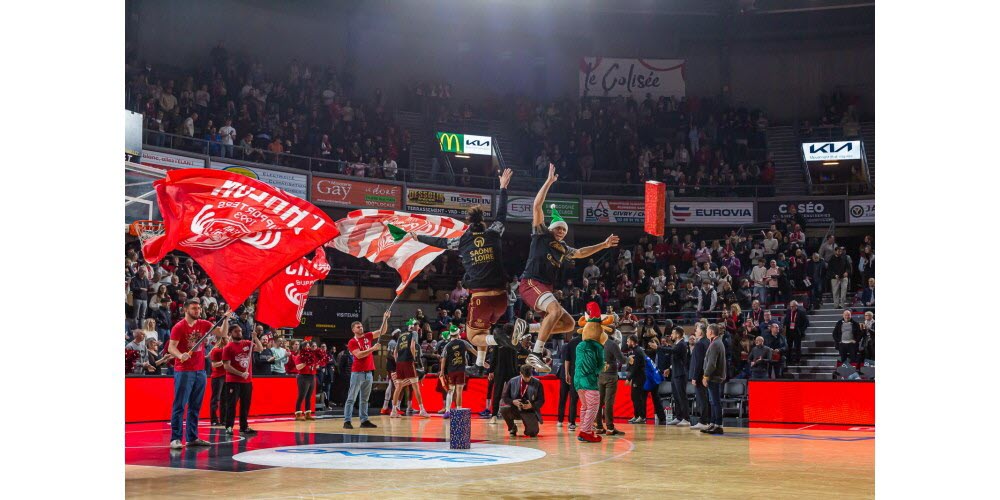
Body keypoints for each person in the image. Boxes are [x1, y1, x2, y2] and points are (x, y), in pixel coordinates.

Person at [412, 169, 523, 370]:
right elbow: (502, 215)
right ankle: (479, 364)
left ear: (468, 225)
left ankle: (498, 339)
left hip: (482, 298)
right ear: (483, 223)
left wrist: (418, 237)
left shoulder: (462, 241)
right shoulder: (494, 233)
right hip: (502, 299)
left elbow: (440, 242)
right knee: (484, 329)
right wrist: (503, 188)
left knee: (473, 336)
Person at [518, 164, 619, 372]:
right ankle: (536, 353)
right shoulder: (541, 234)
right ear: (552, 228)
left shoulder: (563, 248)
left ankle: (527, 328)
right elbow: (537, 206)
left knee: (568, 324)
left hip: (544, 287)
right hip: (531, 282)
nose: (562, 231)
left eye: (564, 229)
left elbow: (581, 252)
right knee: (555, 310)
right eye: (559, 228)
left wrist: (603, 244)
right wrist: (548, 182)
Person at [167, 299, 230, 449]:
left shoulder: (204, 324)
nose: (198, 311)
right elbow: (171, 347)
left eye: (199, 308)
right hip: (184, 371)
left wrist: (226, 319)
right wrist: (180, 355)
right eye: (194, 308)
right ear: (185, 310)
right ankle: (175, 439)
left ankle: (192, 437)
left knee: (195, 406)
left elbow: (222, 333)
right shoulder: (179, 327)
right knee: (180, 405)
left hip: (200, 370)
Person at [344, 310, 391, 429]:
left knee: (365, 399)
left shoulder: (368, 336)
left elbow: (382, 331)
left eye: (361, 326)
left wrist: (385, 319)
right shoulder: (352, 342)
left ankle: (364, 420)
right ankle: (347, 421)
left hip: (368, 372)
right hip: (357, 373)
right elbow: (359, 355)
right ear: (353, 330)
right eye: (358, 327)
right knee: (351, 398)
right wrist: (372, 349)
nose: (361, 328)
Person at [222, 324, 264, 435]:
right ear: (230, 333)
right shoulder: (228, 347)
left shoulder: (247, 343)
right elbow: (226, 366)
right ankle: (229, 426)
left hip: (247, 381)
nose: (239, 333)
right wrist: (241, 374)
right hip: (233, 381)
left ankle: (244, 426)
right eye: (236, 331)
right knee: (231, 404)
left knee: (245, 404)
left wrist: (255, 337)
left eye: (240, 331)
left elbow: (260, 348)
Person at [389, 318, 431, 418]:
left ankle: (393, 411)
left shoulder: (401, 336)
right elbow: (412, 346)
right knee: (416, 386)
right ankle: (422, 410)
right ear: (413, 326)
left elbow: (395, 352)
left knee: (398, 387)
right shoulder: (414, 333)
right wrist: (414, 359)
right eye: (418, 325)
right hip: (408, 361)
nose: (419, 328)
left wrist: (398, 362)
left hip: (399, 363)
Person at [573, 327, 605, 443]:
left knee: (585, 407)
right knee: (593, 407)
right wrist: (598, 370)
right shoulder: (597, 347)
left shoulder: (579, 345)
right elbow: (595, 365)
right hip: (588, 381)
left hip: (577, 380)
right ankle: (585, 432)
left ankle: (584, 430)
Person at [626, 334, 666, 424]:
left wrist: (629, 378)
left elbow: (636, 367)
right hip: (652, 377)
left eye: (628, 341)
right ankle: (657, 418)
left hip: (650, 378)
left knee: (643, 398)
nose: (626, 343)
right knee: (647, 398)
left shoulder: (638, 351)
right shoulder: (641, 351)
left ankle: (642, 417)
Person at [595, 330, 627, 436]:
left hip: (600, 375)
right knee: (609, 402)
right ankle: (610, 428)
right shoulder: (612, 344)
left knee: (599, 402)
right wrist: (629, 359)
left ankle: (599, 426)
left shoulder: (596, 344)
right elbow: (622, 360)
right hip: (611, 375)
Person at [499, 364, 546, 437]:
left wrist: (532, 405)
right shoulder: (512, 381)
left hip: (529, 410)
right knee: (503, 409)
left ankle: (529, 427)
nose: (527, 379)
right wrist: (512, 402)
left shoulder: (538, 383)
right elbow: (504, 397)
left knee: (532, 433)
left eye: (529, 377)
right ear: (520, 373)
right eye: (525, 377)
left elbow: (541, 400)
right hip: (515, 408)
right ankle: (512, 428)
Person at [439, 329, 477, 417]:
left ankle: (447, 411)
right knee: (459, 391)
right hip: (461, 370)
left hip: (451, 371)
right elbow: (473, 351)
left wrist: (442, 371)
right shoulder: (463, 342)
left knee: (450, 391)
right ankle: (459, 410)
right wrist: (482, 360)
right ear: (458, 333)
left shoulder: (447, 345)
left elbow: (443, 359)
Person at [701, 324, 726, 434]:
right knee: (712, 401)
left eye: (707, 331)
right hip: (715, 377)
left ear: (711, 332)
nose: (706, 332)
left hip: (714, 377)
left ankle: (718, 425)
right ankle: (713, 423)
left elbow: (711, 364)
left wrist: (705, 376)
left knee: (715, 402)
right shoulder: (717, 342)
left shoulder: (715, 344)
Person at [664, 326, 691, 426]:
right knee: (676, 397)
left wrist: (658, 347)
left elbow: (673, 352)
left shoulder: (682, 344)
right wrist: (670, 368)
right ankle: (679, 417)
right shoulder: (676, 344)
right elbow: (676, 359)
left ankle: (686, 419)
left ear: (678, 335)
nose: (671, 335)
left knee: (682, 397)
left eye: (673, 333)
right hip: (675, 373)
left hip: (680, 374)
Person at [555, 331, 582, 430]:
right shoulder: (581, 344)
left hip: (564, 373)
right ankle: (571, 421)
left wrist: (566, 373)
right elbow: (568, 360)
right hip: (573, 373)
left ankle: (560, 420)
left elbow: (565, 360)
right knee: (573, 398)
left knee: (563, 398)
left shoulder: (566, 345)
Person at [688, 323, 711, 430]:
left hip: (700, 376)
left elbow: (698, 362)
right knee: (705, 398)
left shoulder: (700, 344)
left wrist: (695, 377)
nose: (695, 331)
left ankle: (703, 421)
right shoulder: (707, 342)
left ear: (701, 331)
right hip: (705, 374)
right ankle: (707, 420)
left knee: (702, 399)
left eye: (696, 330)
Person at [293, 342, 320, 421]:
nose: (308, 347)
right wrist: (306, 362)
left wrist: (318, 363)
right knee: (301, 396)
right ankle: (298, 414)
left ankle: (308, 414)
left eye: (309, 346)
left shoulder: (313, 356)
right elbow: (298, 367)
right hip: (303, 377)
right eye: (306, 346)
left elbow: (317, 365)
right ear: (302, 348)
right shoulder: (299, 356)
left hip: (312, 376)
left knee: (309, 396)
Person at [208, 334, 228, 427]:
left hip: (226, 376)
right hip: (217, 376)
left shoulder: (227, 350)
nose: (229, 340)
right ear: (223, 340)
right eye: (227, 338)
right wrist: (223, 361)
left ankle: (224, 419)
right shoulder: (216, 350)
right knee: (216, 399)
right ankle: (214, 419)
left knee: (225, 399)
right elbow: (214, 365)